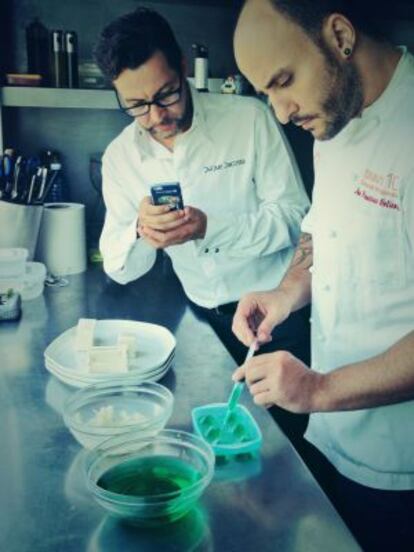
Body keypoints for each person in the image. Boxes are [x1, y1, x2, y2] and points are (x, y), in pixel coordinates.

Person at [232, 1, 414, 550]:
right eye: (267, 93)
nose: (282, 113)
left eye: (284, 82)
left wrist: (316, 388)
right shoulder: (330, 121)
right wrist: (287, 292)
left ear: (339, 35)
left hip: (401, 464)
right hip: (334, 436)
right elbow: (321, 233)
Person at [94, 8, 310, 442]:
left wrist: (210, 227)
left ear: (183, 69)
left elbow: (294, 220)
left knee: (286, 448)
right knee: (215, 445)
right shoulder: (119, 158)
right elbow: (120, 268)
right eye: (136, 105)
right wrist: (140, 230)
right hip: (202, 327)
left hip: (276, 318)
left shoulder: (249, 119)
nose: (156, 116)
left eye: (166, 94)